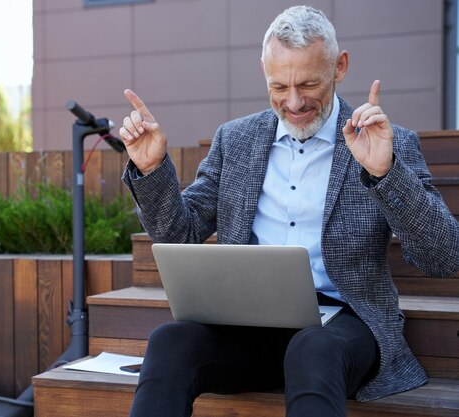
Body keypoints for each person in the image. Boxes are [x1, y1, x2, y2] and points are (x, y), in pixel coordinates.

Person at [118, 5, 459, 417]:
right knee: (169, 341)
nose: (294, 102)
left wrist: (384, 172)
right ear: (263, 69)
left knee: (311, 349)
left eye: (309, 84)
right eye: (279, 86)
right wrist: (152, 169)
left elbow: (444, 258)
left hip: (344, 327)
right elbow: (178, 235)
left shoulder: (389, 143)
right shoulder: (236, 140)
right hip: (248, 325)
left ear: (340, 66)